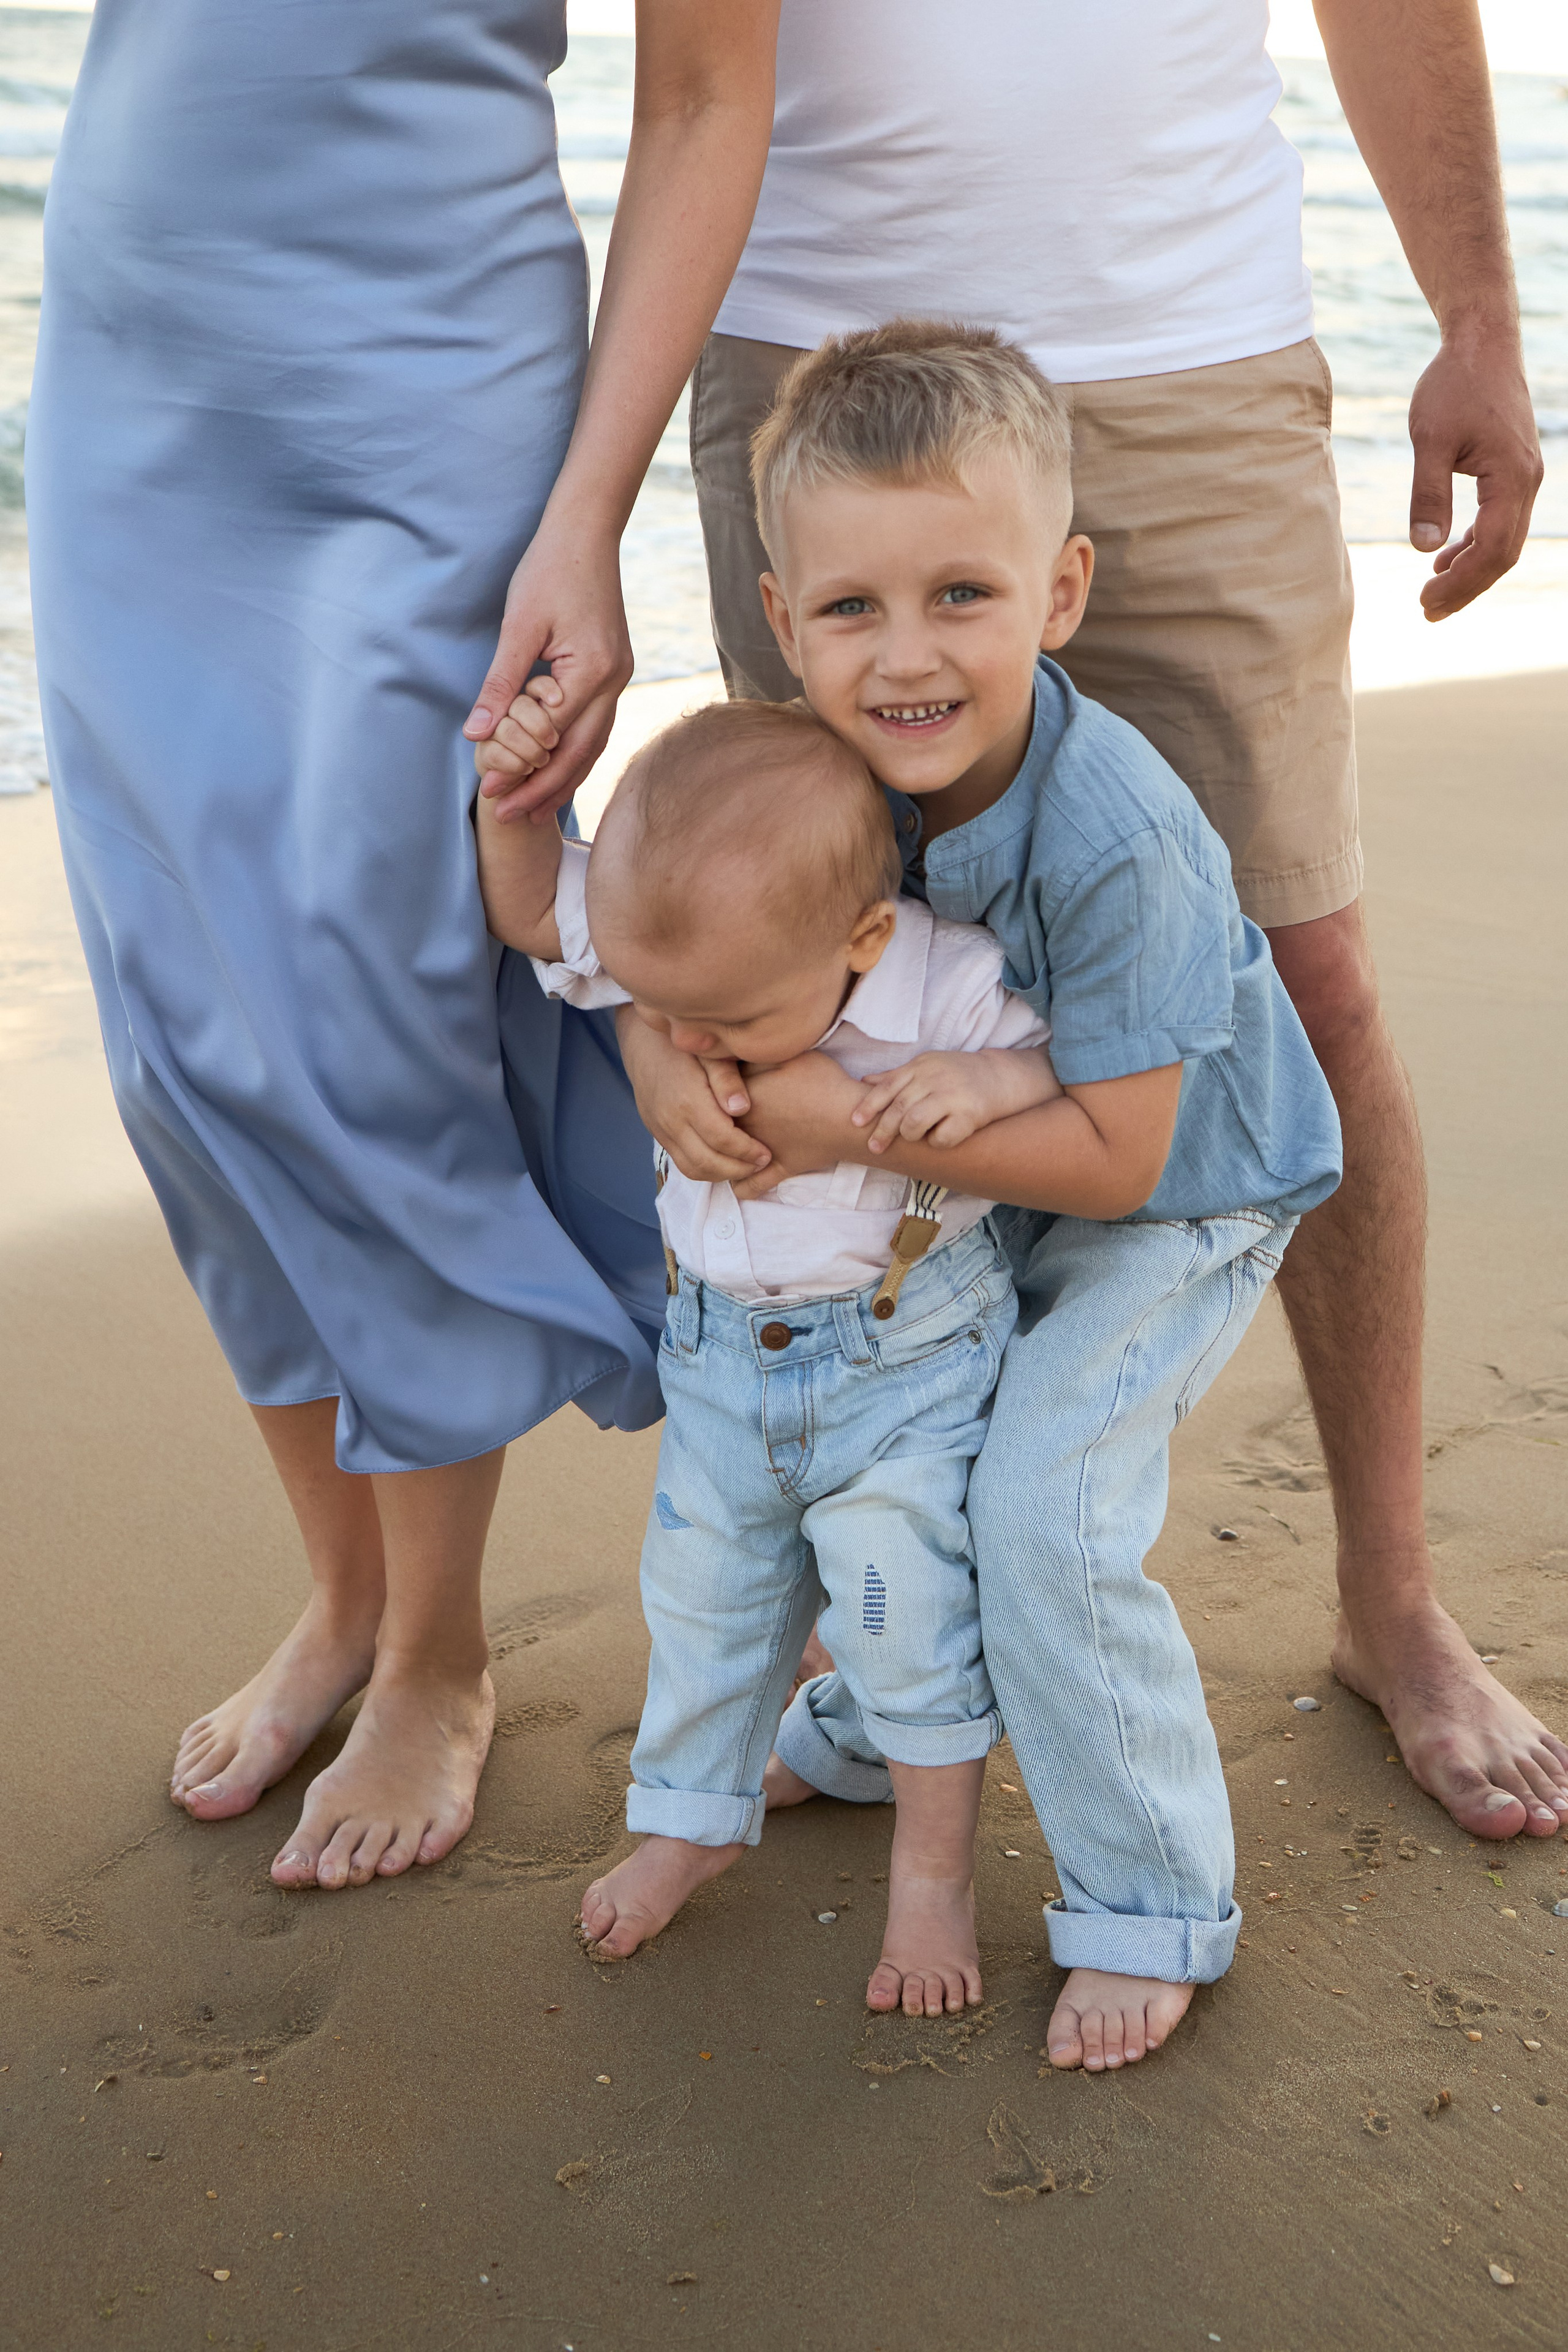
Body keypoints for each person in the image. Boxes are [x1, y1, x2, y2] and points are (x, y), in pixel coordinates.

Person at [671, 0, 1561, 1842]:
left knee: (1303, 982)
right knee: (831, 992)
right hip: (808, 369)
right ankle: (895, 1610)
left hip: (1189, 346)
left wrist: (1477, 317)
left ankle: (1390, 1598)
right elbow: (686, 84)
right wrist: (577, 509)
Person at [483, 326, 1346, 2069]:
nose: (910, 656)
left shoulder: (1116, 835)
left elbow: (1121, 1154)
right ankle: (887, 1727)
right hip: (964, 1182)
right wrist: (664, 1051)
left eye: (965, 593)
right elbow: (701, 936)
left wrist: (851, 1125)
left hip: (1181, 1186)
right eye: (857, 610)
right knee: (897, 1461)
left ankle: (1146, 1896)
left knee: (1040, 1506)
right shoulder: (812, 768)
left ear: (1062, 589)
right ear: (782, 617)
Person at [26, 0, 779, 1893]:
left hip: (422, 404)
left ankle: (442, 1654)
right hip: (134, 382)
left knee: (376, 1023)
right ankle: (344, 1601)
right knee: (186, 1049)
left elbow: (703, 98)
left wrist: (589, 515)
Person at [478, 696, 1056, 2016]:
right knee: (705, 1606)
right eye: (657, 1009)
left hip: (902, 1376)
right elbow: (531, 915)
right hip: (719, 1372)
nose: (680, 1045)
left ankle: (929, 1875)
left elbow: (1064, 1066)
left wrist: (987, 1091)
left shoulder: (947, 981)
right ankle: (689, 1820)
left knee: (902, 1622)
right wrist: (509, 795)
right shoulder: (684, 938)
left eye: (720, 1020)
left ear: (858, 940)